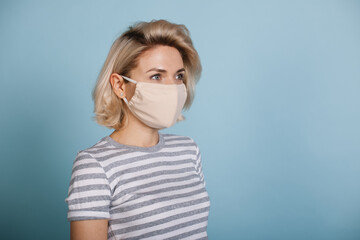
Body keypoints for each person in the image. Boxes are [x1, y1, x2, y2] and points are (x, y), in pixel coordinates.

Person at [65, 19, 210, 240]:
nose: (172, 87)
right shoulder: (94, 166)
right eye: (156, 76)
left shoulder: (188, 150)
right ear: (120, 85)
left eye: (178, 76)